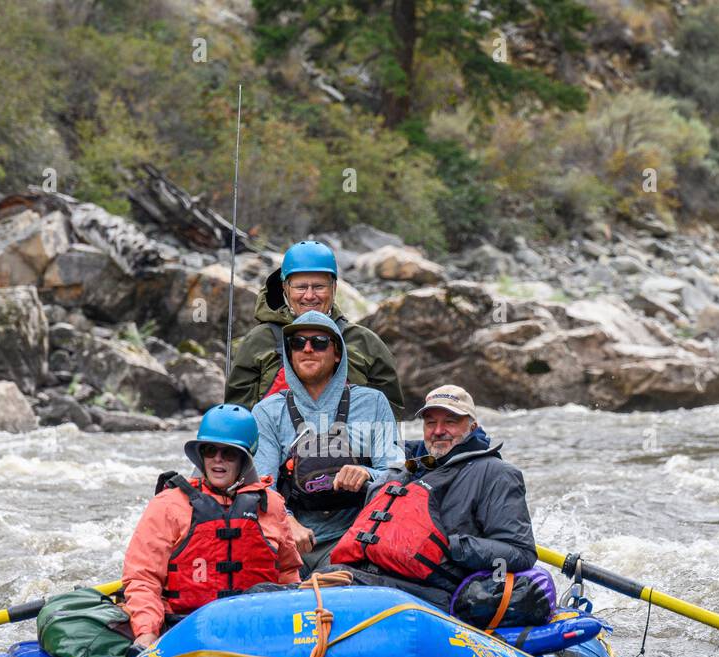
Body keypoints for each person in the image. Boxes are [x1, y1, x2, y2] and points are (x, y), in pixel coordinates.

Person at [327, 385, 537, 611]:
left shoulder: (497, 473)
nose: (438, 431)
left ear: (473, 427)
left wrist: (451, 546)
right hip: (368, 576)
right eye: (430, 422)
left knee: (331, 582)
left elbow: (521, 553)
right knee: (323, 577)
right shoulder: (406, 469)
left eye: (450, 421)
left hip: (430, 594)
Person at [120, 404, 302, 646]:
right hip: (184, 628)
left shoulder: (272, 505)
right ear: (200, 455)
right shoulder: (168, 505)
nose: (217, 459)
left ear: (244, 459)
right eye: (209, 450)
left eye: (228, 452)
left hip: (257, 629)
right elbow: (143, 579)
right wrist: (146, 634)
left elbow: (288, 575)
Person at [252, 310, 404, 575]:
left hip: (354, 537)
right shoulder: (266, 411)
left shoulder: (373, 402)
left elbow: (397, 474)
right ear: (289, 354)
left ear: (337, 353)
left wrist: (366, 473)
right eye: (298, 343)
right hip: (290, 540)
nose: (307, 349)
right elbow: (262, 487)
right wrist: (287, 521)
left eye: (319, 342)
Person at [225, 239, 405, 419]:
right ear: (285, 289)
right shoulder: (259, 340)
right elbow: (237, 419)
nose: (310, 296)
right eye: (301, 287)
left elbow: (389, 418)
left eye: (319, 287)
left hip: (352, 445)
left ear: (334, 288)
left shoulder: (366, 342)